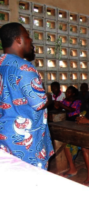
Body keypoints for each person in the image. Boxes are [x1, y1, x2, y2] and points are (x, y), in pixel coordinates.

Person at [0, 23, 53, 169]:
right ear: (18, 39)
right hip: (24, 140)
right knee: (33, 181)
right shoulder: (24, 67)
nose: (31, 40)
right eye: (28, 37)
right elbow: (39, 103)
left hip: (4, 136)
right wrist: (49, 96)